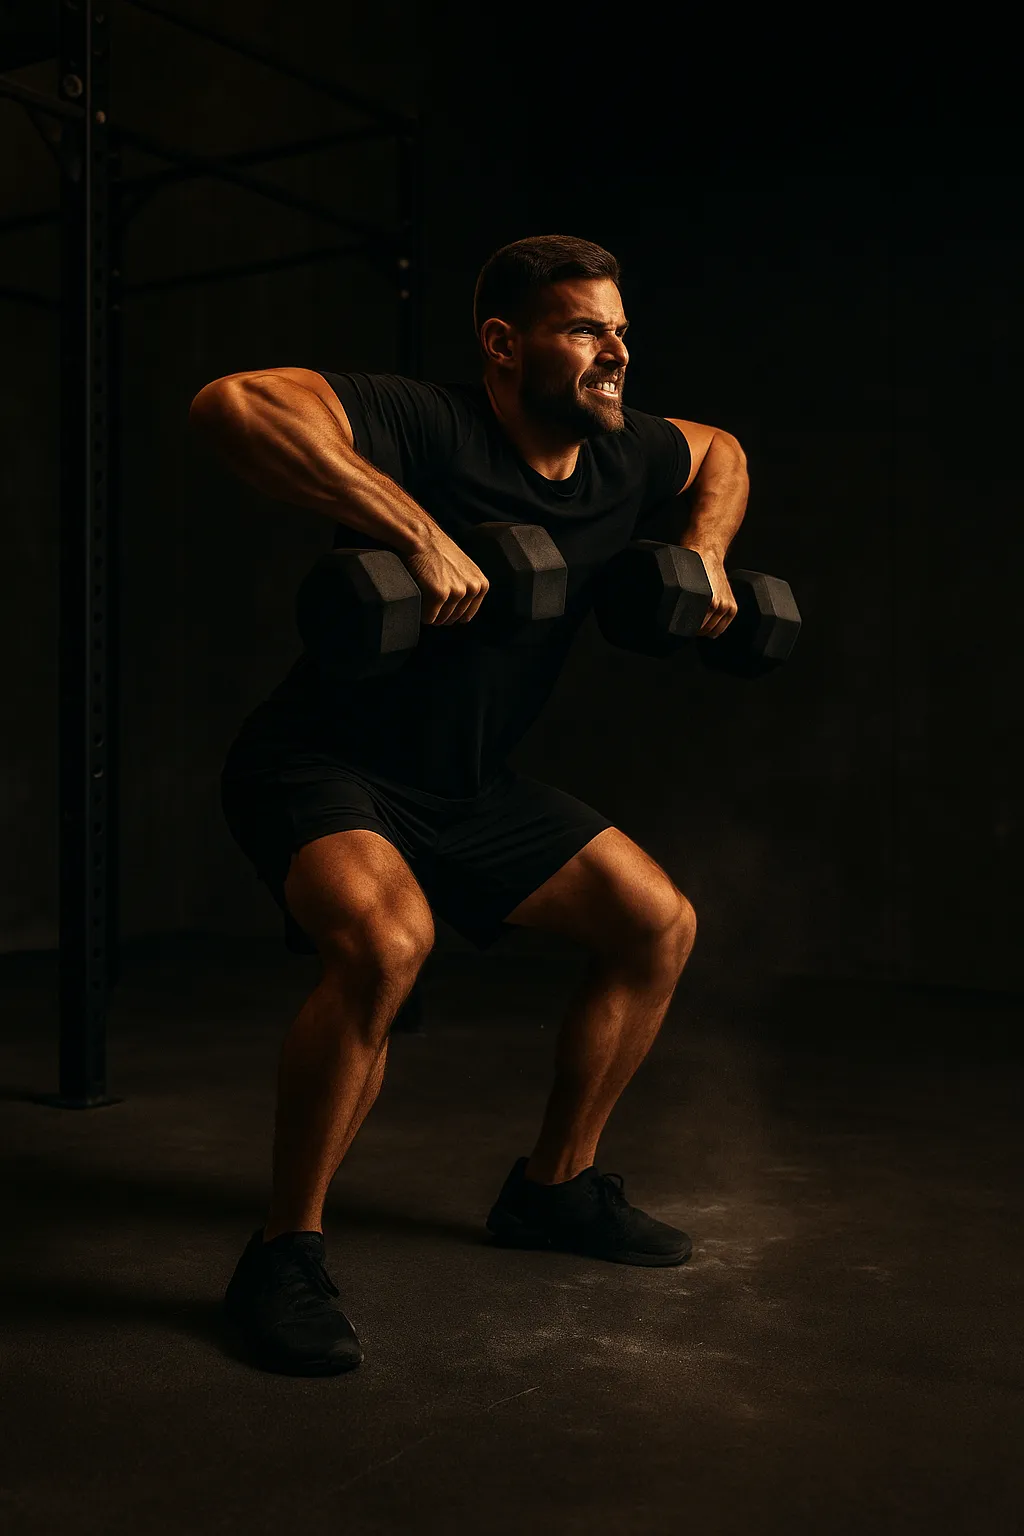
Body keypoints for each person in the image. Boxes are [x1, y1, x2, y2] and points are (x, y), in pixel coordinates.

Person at [189, 234, 748, 1377]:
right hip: (322, 763)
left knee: (656, 923)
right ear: (504, 343)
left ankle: (553, 1191)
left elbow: (722, 451)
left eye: (621, 333)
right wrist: (416, 528)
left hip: (469, 786)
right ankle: (281, 1255)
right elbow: (230, 402)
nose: (615, 354)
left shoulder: (622, 455)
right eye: (587, 329)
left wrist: (705, 552)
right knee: (390, 944)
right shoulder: (429, 423)